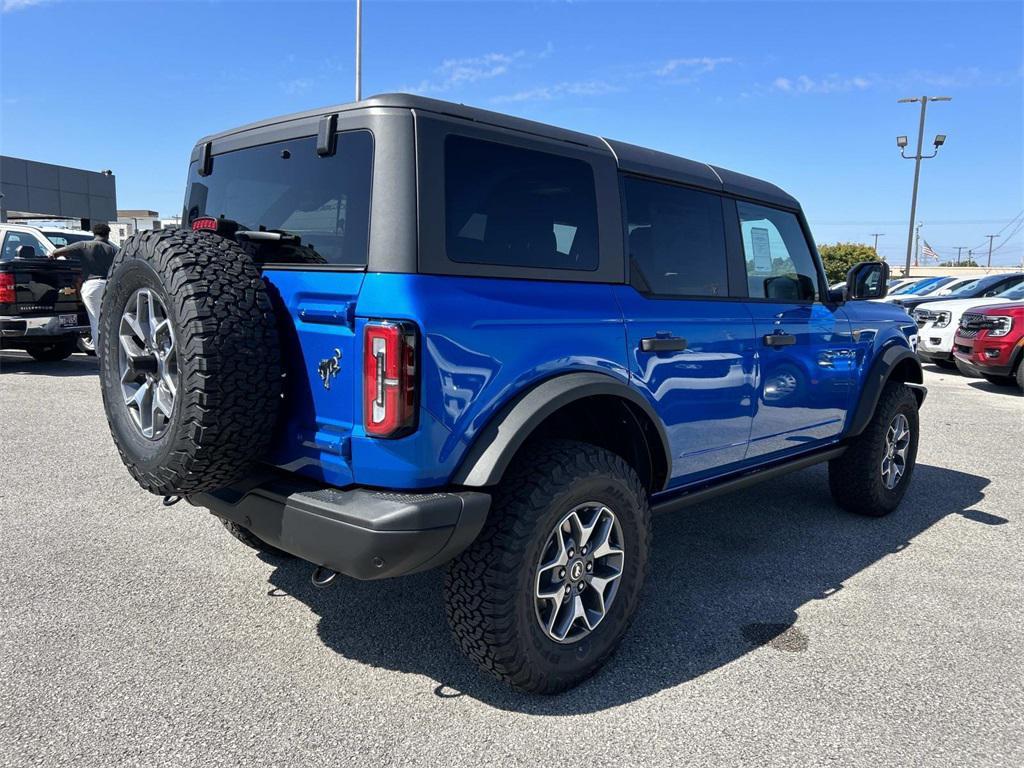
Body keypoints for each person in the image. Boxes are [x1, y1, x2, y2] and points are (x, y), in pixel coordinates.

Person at [51, 223, 117, 349]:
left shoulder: (84, 245)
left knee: (96, 322)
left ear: (94, 233)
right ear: (108, 234)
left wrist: (53, 254)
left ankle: (102, 356)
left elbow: (58, 252)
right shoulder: (114, 249)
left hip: (92, 286)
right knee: (111, 322)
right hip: (111, 286)